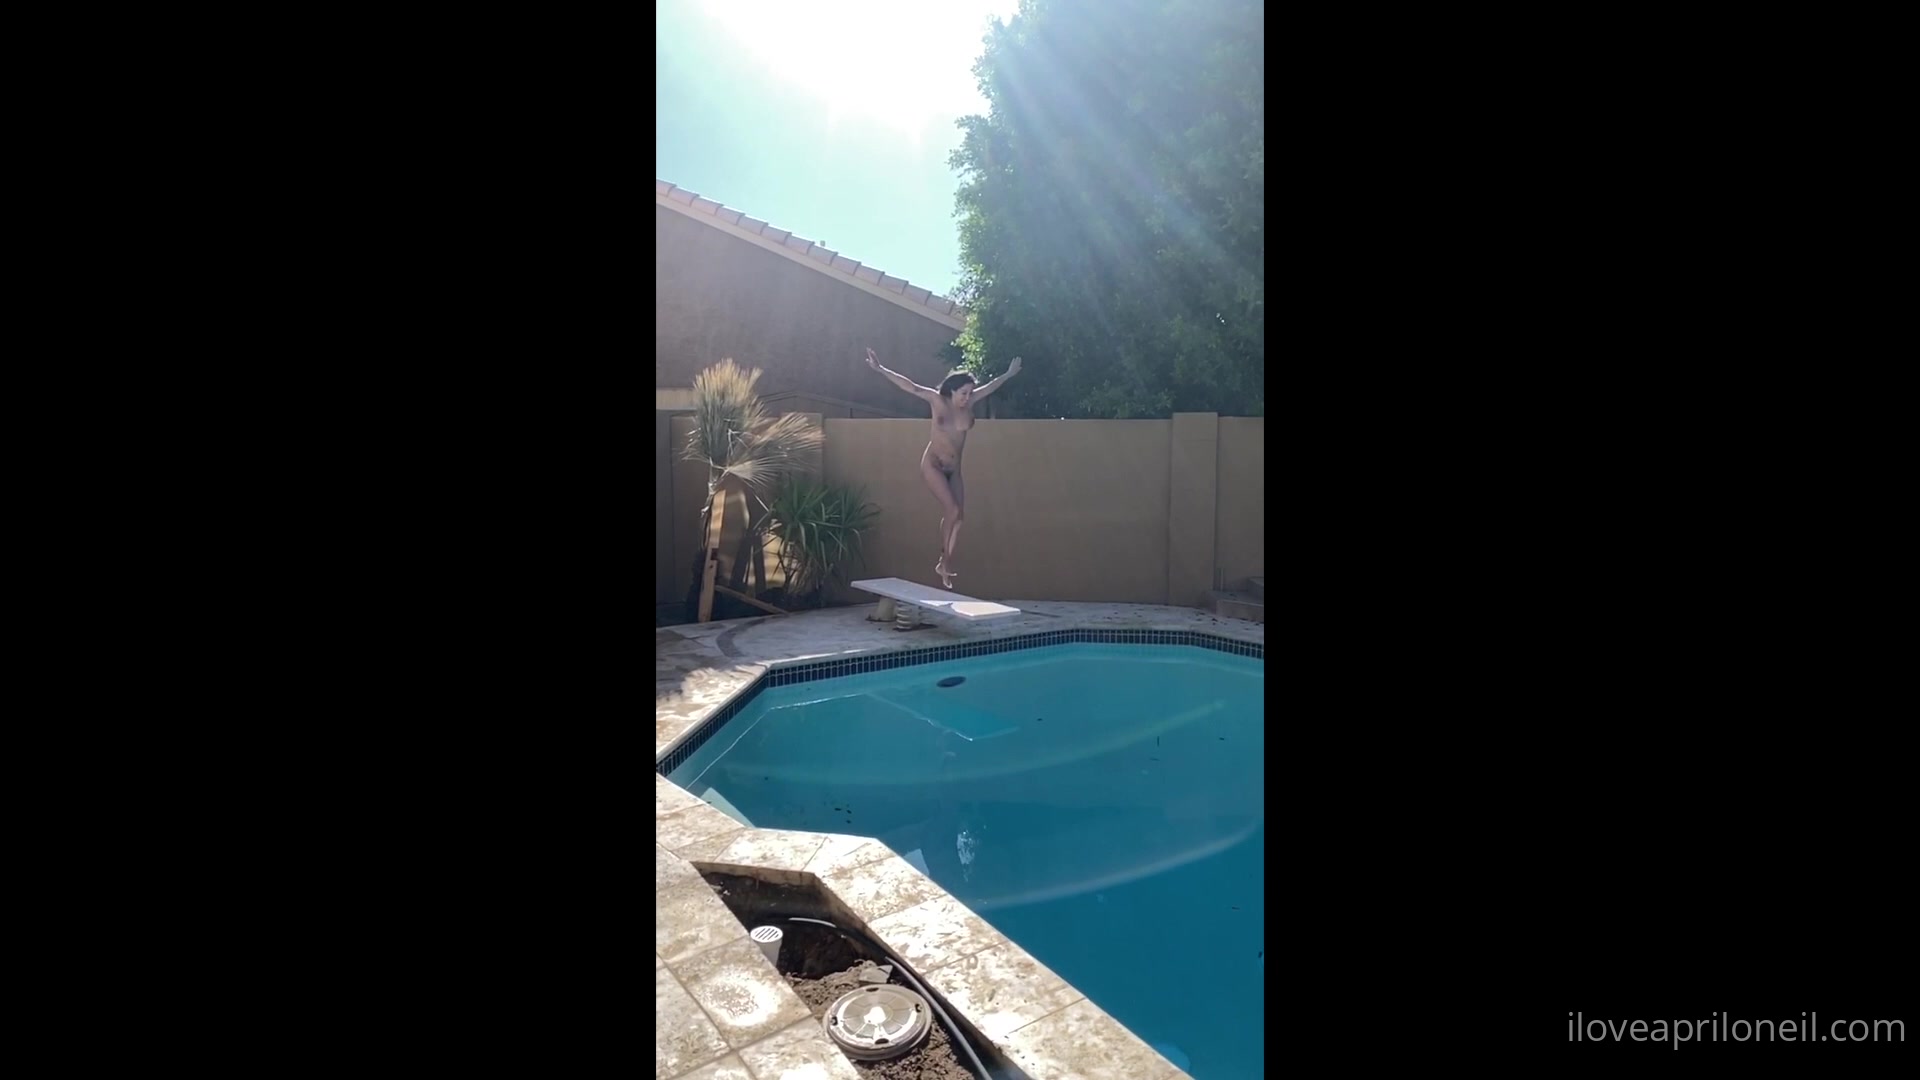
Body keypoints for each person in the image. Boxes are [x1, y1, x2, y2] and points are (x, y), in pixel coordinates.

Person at [864, 347, 1023, 589]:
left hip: (954, 469)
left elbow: (991, 387)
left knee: (959, 517)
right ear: (952, 390)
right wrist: (880, 369)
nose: (968, 398)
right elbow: (910, 386)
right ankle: (945, 563)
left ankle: (943, 562)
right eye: (963, 393)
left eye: (970, 393)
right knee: (952, 509)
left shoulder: (970, 402)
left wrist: (1008, 374)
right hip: (934, 465)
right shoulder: (936, 400)